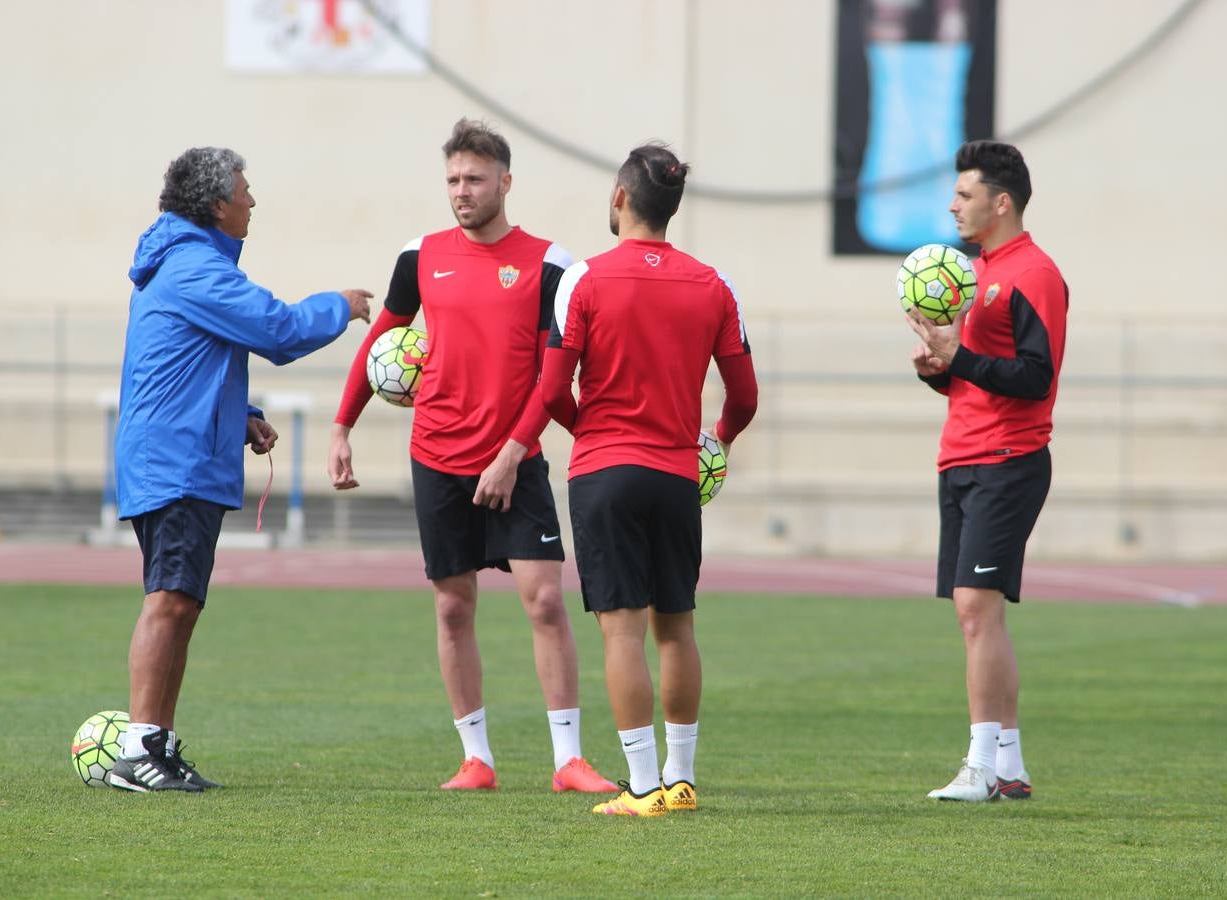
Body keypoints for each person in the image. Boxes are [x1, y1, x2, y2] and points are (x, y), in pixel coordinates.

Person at [327, 119, 617, 794]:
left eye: (475, 180)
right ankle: (475, 760)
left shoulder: (551, 265)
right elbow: (381, 344)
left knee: (545, 602)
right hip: (436, 456)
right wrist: (342, 427)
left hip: (515, 459)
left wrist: (514, 452)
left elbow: (553, 378)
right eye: (453, 180)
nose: (462, 191)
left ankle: (568, 761)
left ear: (505, 182)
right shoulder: (419, 256)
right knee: (453, 608)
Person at [111, 147, 372, 793]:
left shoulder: (186, 263)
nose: (252, 201)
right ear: (215, 204)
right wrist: (339, 305)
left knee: (181, 603)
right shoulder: (195, 266)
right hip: (176, 461)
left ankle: (158, 745)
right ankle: (140, 751)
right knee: (169, 601)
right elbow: (278, 330)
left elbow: (188, 360)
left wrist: (242, 414)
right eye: (244, 191)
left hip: (179, 454)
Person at [542, 143, 759, 816]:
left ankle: (640, 788)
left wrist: (591, 431)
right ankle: (681, 780)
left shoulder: (583, 279)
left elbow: (549, 391)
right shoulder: (714, 285)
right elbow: (745, 398)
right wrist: (716, 441)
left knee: (621, 632)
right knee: (677, 628)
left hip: (605, 470)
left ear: (619, 198)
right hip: (676, 476)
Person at [905, 139, 1068, 802]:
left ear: (1001, 203)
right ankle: (1008, 766)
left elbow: (1035, 377)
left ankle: (980, 767)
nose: (953, 205)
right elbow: (978, 378)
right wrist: (939, 371)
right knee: (980, 615)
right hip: (964, 455)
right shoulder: (976, 273)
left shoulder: (1033, 273)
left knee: (977, 608)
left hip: (1008, 459)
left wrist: (962, 360)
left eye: (964, 194)